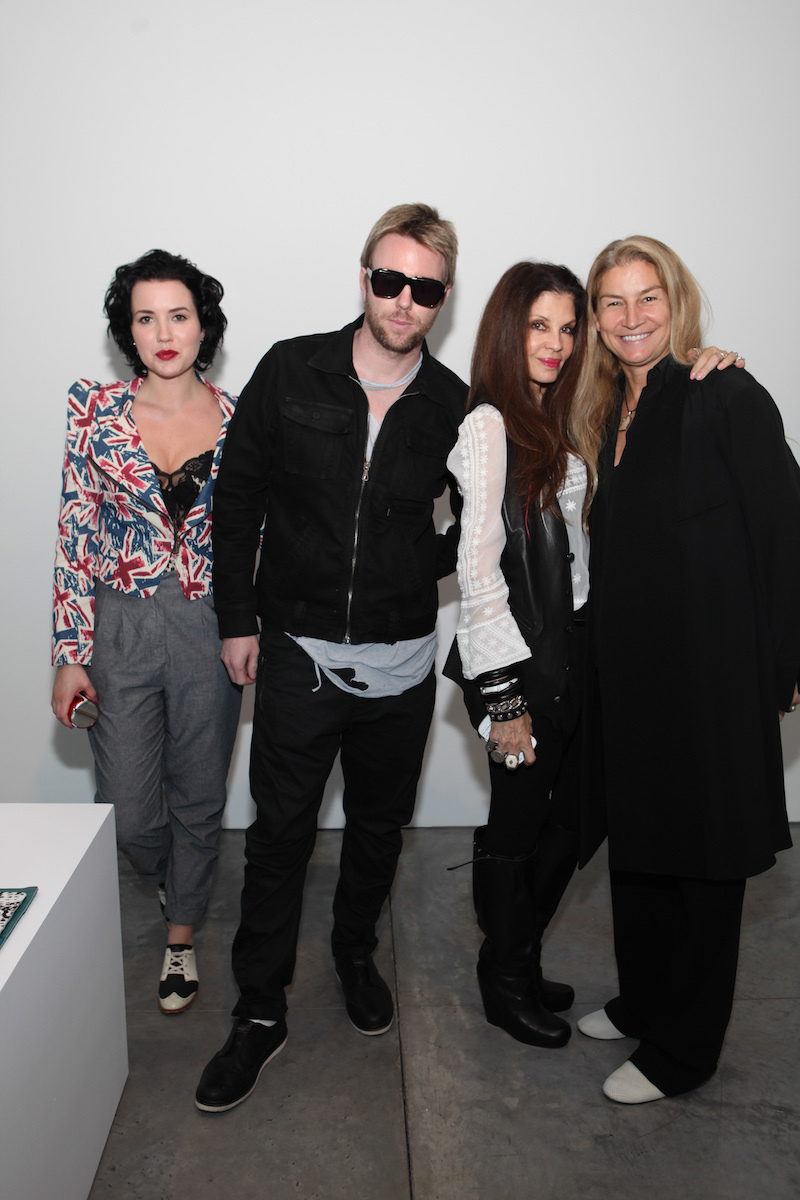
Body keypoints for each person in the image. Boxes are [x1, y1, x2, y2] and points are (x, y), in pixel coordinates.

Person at [195, 203, 468, 1113]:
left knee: (380, 830)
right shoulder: (290, 367)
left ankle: (355, 953)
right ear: (363, 278)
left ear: (441, 298)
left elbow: (477, 524)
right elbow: (236, 503)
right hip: (297, 652)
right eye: (389, 280)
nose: (403, 301)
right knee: (279, 836)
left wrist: (409, 567)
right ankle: (259, 1012)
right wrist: (238, 618)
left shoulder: (452, 404)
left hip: (401, 661)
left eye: (424, 288)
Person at [572, 235, 800, 1103]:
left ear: (677, 302)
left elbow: (785, 527)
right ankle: (644, 1002)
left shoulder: (722, 393)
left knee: (702, 859)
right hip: (631, 676)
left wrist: (785, 661)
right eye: (614, 303)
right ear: (597, 318)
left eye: (649, 298)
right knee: (641, 847)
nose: (632, 319)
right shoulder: (602, 415)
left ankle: (684, 1050)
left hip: (710, 676)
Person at [52, 249, 242, 1015]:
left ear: (204, 324)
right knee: (131, 810)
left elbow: (254, 536)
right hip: (118, 623)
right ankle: (170, 872)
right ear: (126, 329)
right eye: (145, 317)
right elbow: (74, 533)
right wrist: (69, 653)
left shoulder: (239, 421)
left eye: (179, 314)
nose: (164, 332)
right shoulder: (94, 414)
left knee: (199, 791)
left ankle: (182, 937)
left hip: (209, 622)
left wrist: (252, 625)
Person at [444, 262, 593, 1050]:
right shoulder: (490, 426)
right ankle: (504, 981)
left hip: (566, 652)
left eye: (569, 327)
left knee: (563, 825)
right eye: (540, 325)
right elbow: (477, 566)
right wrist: (504, 698)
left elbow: (574, 555)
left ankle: (521, 954)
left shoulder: (556, 418)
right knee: (515, 830)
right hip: (518, 665)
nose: (557, 343)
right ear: (509, 329)